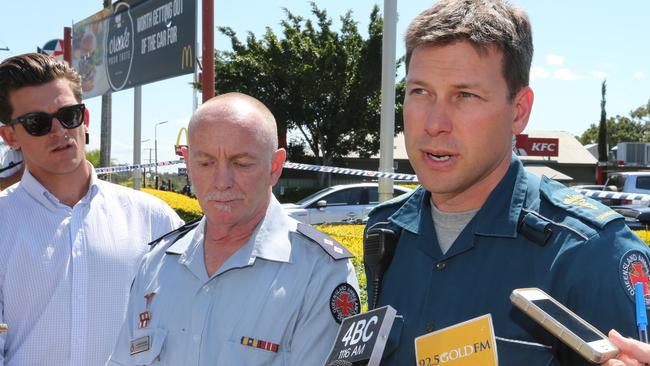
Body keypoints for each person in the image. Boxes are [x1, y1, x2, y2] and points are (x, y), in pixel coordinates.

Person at [364, 1, 650, 365]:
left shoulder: (587, 253)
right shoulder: (385, 232)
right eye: (420, 92)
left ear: (518, 111)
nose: (434, 122)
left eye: (465, 95)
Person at [107, 92, 360, 366]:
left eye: (241, 164)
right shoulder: (156, 264)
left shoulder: (320, 272)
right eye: (205, 163)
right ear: (188, 164)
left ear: (275, 167)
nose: (222, 181)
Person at [0, 53, 184, 365]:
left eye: (68, 115)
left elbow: (186, 321)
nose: (59, 131)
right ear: (10, 136)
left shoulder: (154, 219)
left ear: (85, 118)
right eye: (37, 123)